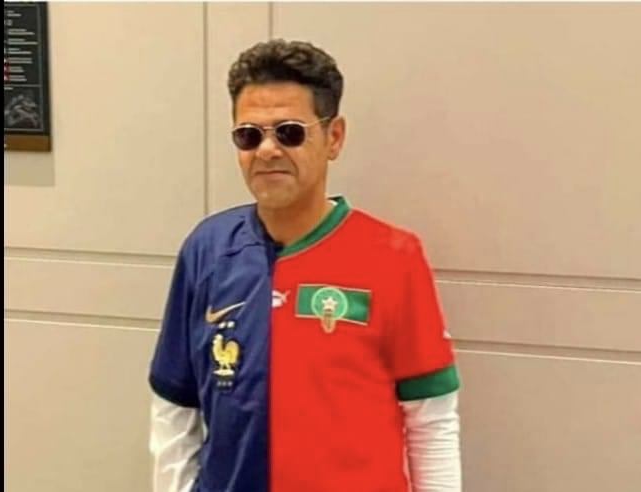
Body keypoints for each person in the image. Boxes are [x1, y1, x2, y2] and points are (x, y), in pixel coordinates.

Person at [148, 39, 462, 492]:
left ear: (333, 138)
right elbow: (175, 410)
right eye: (249, 135)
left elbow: (431, 420)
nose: (267, 150)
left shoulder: (393, 256)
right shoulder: (208, 250)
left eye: (289, 132)